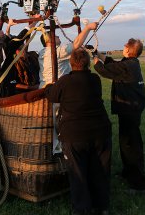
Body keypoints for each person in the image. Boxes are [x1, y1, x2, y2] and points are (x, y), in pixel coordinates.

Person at [45, 48, 112, 215]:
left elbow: (52, 96)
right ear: (88, 63)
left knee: (78, 174)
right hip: (100, 132)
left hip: (74, 135)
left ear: (70, 63)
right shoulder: (95, 79)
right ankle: (101, 206)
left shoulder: (64, 81)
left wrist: (48, 87)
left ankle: (82, 209)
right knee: (99, 170)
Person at [93, 38, 145, 193]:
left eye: (125, 46)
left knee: (131, 145)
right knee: (126, 141)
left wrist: (96, 61)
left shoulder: (128, 66)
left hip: (130, 109)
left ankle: (139, 185)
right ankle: (127, 172)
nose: (123, 47)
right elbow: (113, 63)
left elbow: (105, 70)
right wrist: (97, 53)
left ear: (129, 50)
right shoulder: (130, 63)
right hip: (131, 109)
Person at [0, 18, 38, 97]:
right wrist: (35, 21)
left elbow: (5, 39)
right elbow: (20, 37)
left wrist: (9, 25)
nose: (0, 30)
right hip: (4, 90)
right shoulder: (4, 48)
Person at [38, 21, 98, 88]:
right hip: (57, 88)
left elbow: (75, 48)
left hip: (44, 87)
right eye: (55, 36)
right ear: (49, 40)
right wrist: (88, 27)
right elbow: (76, 44)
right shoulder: (57, 51)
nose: (58, 36)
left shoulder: (42, 52)